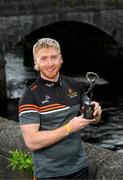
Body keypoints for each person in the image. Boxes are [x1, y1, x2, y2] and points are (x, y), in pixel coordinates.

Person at [19, 38, 102, 180]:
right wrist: (69, 128)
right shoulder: (30, 96)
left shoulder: (75, 85)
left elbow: (91, 119)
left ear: (61, 59)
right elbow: (32, 142)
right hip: (49, 174)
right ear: (36, 63)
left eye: (54, 57)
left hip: (80, 169)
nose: (50, 63)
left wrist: (96, 113)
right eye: (43, 58)